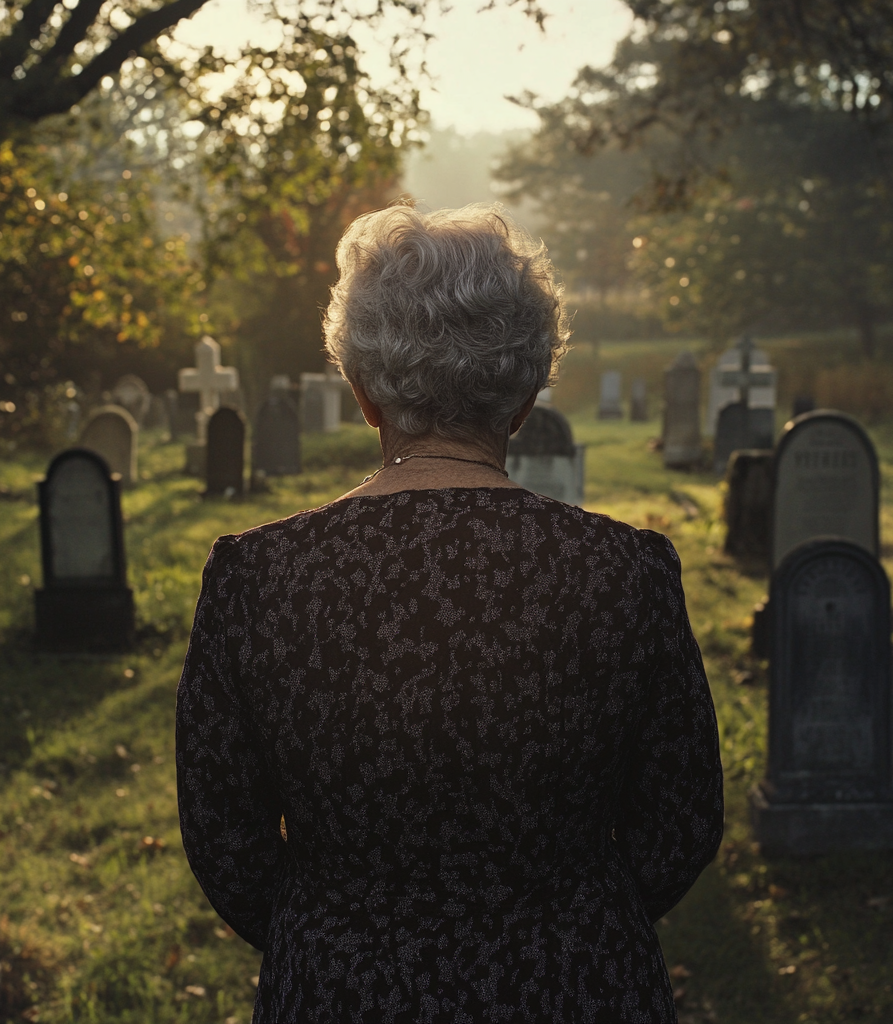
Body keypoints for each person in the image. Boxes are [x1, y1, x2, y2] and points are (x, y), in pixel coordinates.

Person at [176, 204, 724, 1023]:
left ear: (362, 392)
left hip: (339, 989)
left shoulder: (258, 578)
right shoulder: (626, 571)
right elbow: (680, 822)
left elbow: (226, 838)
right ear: (524, 395)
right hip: (578, 982)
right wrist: (566, 921)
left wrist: (335, 934)